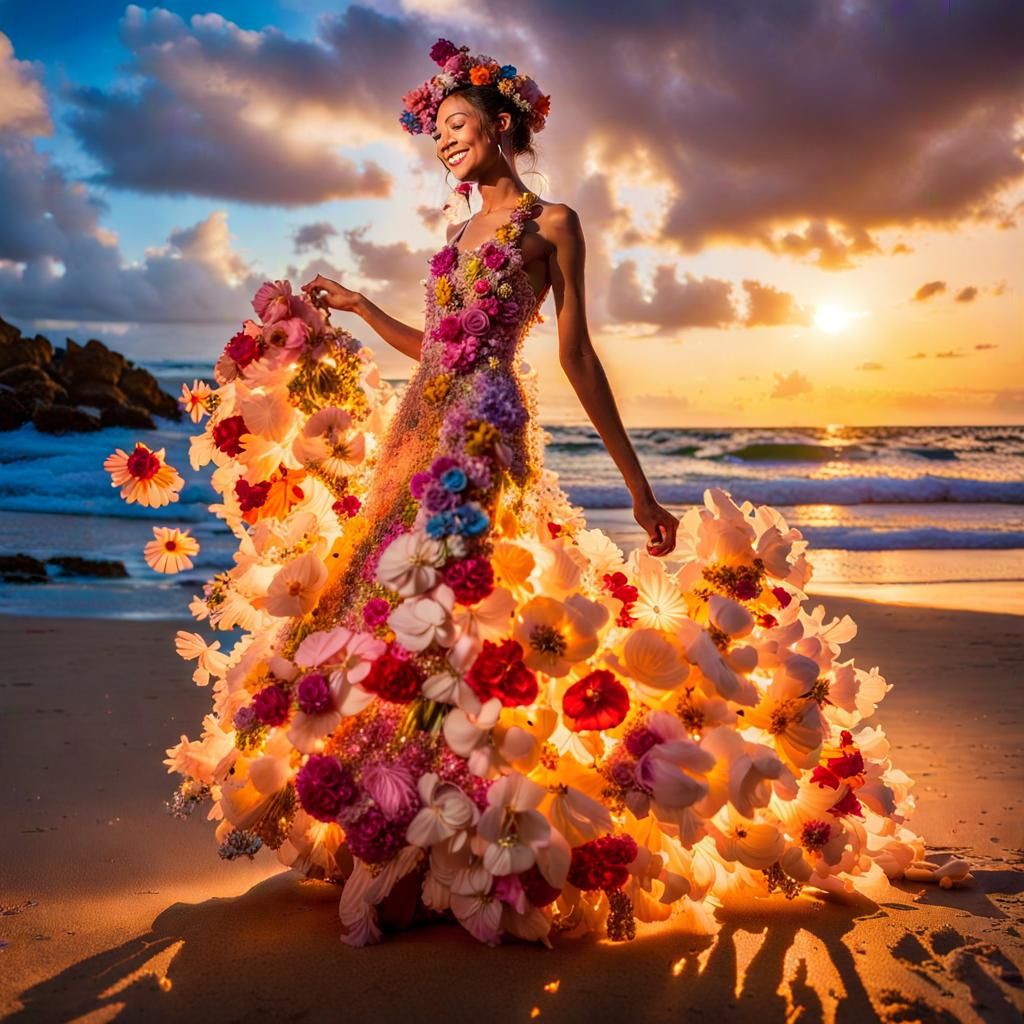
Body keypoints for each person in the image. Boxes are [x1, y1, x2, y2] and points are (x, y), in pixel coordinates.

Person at [158, 38, 970, 950]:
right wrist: (352, 307)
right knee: (390, 609)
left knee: (461, 615)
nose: (446, 145)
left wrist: (640, 487)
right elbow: (432, 353)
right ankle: (402, 826)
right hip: (416, 434)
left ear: (501, 125)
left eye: (458, 127)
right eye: (436, 136)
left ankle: (461, 834)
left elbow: (578, 355)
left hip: (484, 433)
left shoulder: (553, 224)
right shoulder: (454, 238)